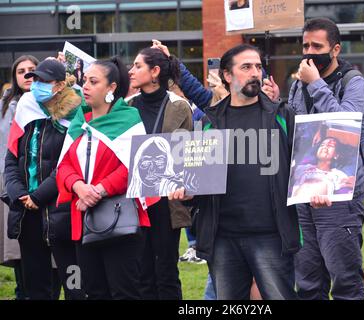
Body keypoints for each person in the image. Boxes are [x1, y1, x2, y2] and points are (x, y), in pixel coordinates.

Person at [171, 44, 300, 300]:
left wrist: (318, 188)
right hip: (222, 238)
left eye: (258, 67)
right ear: (227, 76)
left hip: (271, 235)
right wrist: (189, 193)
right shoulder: (209, 122)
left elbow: (304, 169)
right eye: (246, 67)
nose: (255, 73)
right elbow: (200, 181)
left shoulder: (282, 116)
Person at [264, 17, 364, 299]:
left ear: (335, 50)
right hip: (305, 190)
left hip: (339, 193)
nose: (309, 52)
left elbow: (347, 126)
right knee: (308, 280)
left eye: (317, 46)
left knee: (345, 278)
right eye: (305, 45)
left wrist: (317, 84)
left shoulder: (352, 80)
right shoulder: (299, 85)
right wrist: (277, 103)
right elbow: (300, 130)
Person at [56, 57, 150, 300]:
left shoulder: (129, 120)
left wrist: (96, 191)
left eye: (93, 81)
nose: (85, 85)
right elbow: (64, 165)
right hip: (83, 219)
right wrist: (78, 187)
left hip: (120, 218)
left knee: (124, 291)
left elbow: (134, 166)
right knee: (94, 292)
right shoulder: (79, 121)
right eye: (85, 80)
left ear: (111, 88)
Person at [4, 59, 84, 300]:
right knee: (36, 288)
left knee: (75, 286)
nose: (34, 83)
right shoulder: (26, 108)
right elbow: (11, 159)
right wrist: (19, 194)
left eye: (42, 80)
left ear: (59, 85)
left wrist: (39, 196)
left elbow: (68, 163)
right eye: (33, 78)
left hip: (60, 211)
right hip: (27, 213)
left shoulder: (75, 113)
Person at [128, 47, 193, 300]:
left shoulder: (179, 107)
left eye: (137, 66)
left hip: (167, 201)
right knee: (141, 272)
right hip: (136, 201)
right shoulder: (128, 106)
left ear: (154, 72)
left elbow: (187, 156)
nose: (131, 71)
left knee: (165, 271)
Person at [0, 55, 38, 300]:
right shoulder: (6, 105)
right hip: (10, 184)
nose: (26, 74)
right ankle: (21, 292)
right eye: (21, 71)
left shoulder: (49, 103)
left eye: (32, 70)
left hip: (40, 185)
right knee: (17, 247)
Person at [291, 137, 355, 200]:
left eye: (330, 145)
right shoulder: (302, 167)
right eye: (322, 145)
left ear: (336, 155)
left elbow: (349, 189)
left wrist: (356, 184)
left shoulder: (339, 174)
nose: (325, 146)